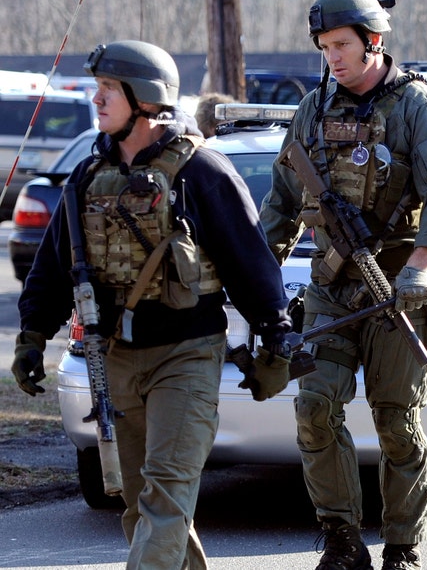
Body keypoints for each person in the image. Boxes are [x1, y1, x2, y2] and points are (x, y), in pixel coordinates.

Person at [11, 40, 293, 568]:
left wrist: (276, 340)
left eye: (108, 89)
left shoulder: (201, 171)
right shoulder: (87, 177)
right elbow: (53, 265)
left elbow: (251, 262)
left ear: (144, 98)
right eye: (97, 88)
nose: (96, 99)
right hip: (115, 358)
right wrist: (32, 336)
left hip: (186, 356)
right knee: (142, 504)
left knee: (165, 493)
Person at [259, 0, 427, 570]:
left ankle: (403, 545)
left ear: (374, 41)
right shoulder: (313, 109)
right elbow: (281, 203)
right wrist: (257, 275)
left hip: (397, 288)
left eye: (342, 45)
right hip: (330, 288)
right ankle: (341, 540)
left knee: (397, 421)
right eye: (325, 47)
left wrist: (422, 266)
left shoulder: (416, 106)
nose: (333, 57)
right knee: (314, 408)